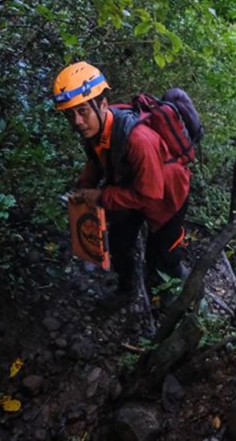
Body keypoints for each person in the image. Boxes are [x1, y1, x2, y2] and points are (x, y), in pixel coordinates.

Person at [52, 61, 191, 302]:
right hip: (129, 185)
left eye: (82, 111)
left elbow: (150, 195)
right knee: (119, 241)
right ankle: (127, 290)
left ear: (102, 105)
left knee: (162, 258)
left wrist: (102, 196)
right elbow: (96, 161)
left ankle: (178, 301)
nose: (77, 121)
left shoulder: (138, 140)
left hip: (167, 195)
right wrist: (84, 187)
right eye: (70, 114)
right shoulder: (95, 127)